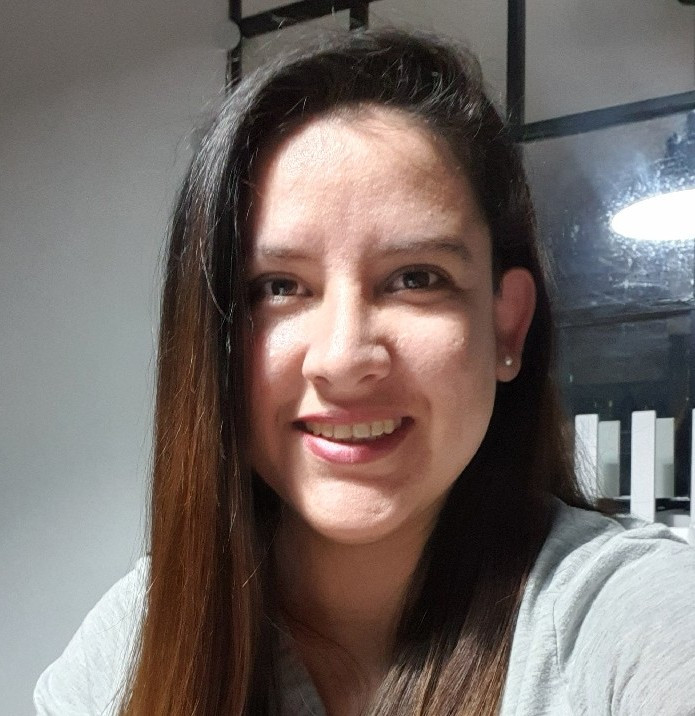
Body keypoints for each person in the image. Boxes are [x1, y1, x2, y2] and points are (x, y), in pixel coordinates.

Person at [34, 29, 695, 716]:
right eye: (277, 287)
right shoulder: (131, 648)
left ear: (507, 327)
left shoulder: (631, 622)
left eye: (415, 278)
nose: (344, 359)